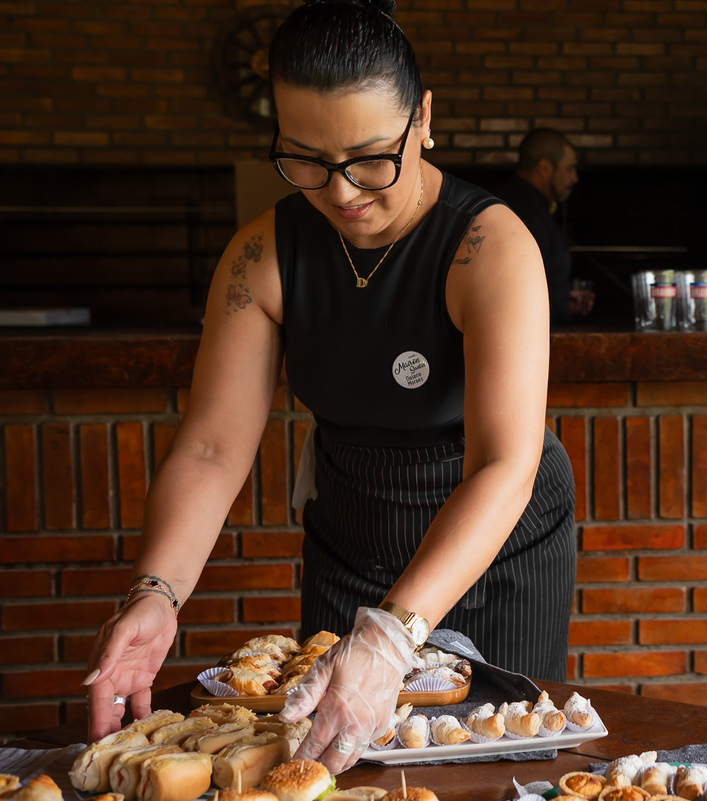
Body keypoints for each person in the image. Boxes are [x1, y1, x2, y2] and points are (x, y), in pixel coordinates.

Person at [81, 0, 575, 774]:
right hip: (354, 525)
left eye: (371, 158)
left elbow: (503, 465)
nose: (342, 192)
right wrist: (156, 592)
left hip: (492, 544)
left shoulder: (490, 245)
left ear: (424, 120)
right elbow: (212, 447)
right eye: (306, 159)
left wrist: (392, 632)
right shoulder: (263, 255)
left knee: (481, 760)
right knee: (331, 756)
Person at [493, 128, 592, 324]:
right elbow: (519, 294)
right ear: (545, 168)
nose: (575, 178)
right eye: (569, 169)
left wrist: (563, 301)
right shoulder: (527, 215)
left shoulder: (516, 203)